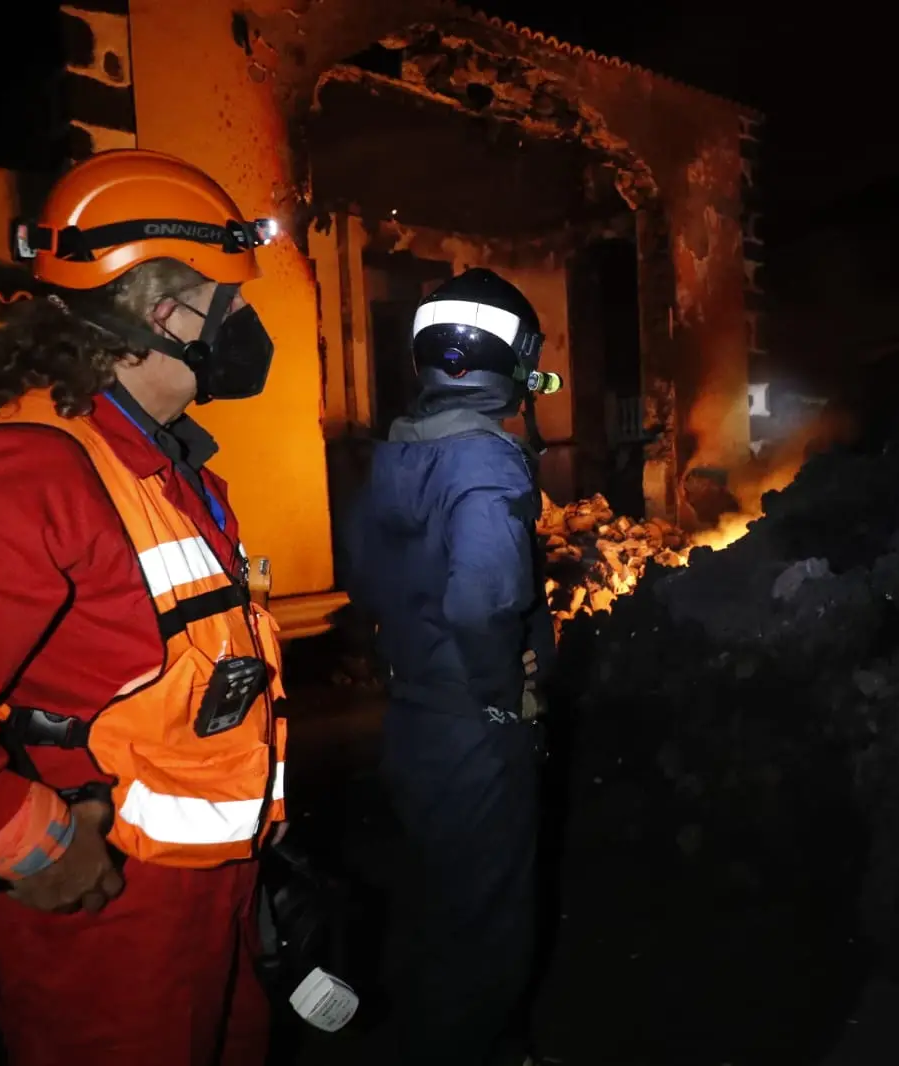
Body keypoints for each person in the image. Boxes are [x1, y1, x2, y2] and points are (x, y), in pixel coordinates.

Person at [0, 148, 288, 1066]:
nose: (249, 323)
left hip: (214, 901)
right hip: (106, 919)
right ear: (163, 312)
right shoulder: (20, 474)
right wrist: (23, 838)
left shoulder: (168, 467)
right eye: (233, 301)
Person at [342, 267, 558, 1066]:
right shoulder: (487, 464)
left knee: (436, 902)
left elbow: (370, 579)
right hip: (474, 730)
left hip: (413, 722)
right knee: (491, 923)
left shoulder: (395, 458)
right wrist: (508, 696)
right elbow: (483, 603)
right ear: (514, 362)